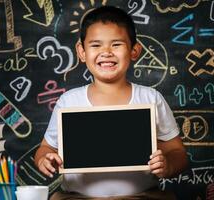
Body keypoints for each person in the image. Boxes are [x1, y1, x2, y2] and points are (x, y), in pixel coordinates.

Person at [34, 5, 188, 200]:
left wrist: (168, 165)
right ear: (81, 52)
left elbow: (178, 152)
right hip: (78, 197)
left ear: (134, 51)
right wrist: (44, 160)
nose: (106, 52)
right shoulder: (69, 101)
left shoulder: (151, 98)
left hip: (141, 196)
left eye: (116, 44)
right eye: (96, 45)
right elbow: (45, 149)